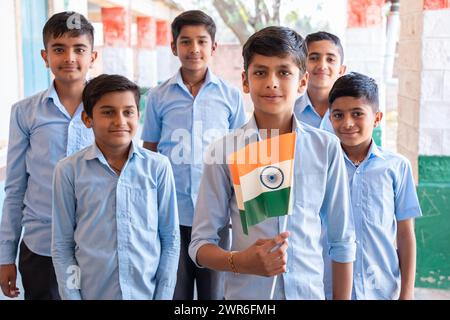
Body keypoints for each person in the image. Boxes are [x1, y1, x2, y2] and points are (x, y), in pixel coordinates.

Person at [188, 26, 356, 300]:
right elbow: (200, 245)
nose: (272, 82)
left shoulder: (326, 148)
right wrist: (240, 261)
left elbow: (342, 242)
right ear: (245, 81)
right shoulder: (224, 151)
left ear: (303, 82)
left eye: (284, 72)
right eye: (260, 72)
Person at [141, 10, 247, 300]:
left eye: (202, 41)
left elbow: (241, 154)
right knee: (175, 291)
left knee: (216, 293)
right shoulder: (157, 97)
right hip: (170, 215)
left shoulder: (230, 96)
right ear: (173, 47)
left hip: (216, 216)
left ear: (213, 47)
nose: (194, 49)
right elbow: (149, 153)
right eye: (185, 41)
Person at [51, 74, 180, 300]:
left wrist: (163, 296)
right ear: (87, 119)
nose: (120, 121)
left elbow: (170, 239)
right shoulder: (68, 171)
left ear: (138, 115)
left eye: (128, 112)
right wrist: (72, 296)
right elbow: (63, 247)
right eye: (108, 112)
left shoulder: (158, 167)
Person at [0, 11, 97, 300]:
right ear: (45, 57)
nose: (69, 57)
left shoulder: (108, 111)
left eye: (79, 49)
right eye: (59, 49)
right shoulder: (25, 112)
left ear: (93, 56)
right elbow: (15, 188)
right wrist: (6, 255)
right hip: (41, 247)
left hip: (96, 245)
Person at [328, 72, 422, 299]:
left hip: (381, 288)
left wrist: (407, 292)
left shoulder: (397, 167)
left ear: (377, 118)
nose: (347, 123)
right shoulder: (323, 167)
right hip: (329, 287)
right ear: (330, 118)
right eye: (338, 115)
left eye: (357, 113)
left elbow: (405, 234)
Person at [294, 31, 346, 133]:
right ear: (301, 66)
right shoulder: (288, 113)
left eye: (330, 59)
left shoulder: (351, 113)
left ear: (341, 70)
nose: (322, 66)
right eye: (313, 58)